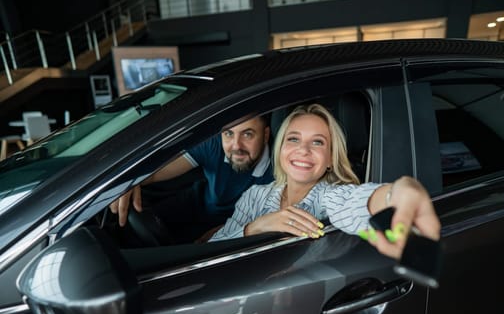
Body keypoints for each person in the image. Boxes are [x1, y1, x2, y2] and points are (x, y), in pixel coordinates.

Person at [209, 103, 440, 260]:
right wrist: (256, 227)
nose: (303, 150)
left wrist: (396, 193)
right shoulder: (254, 195)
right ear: (280, 148)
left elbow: (357, 202)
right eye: (293, 139)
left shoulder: (329, 197)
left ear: (330, 158)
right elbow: (214, 249)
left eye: (317, 142)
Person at [110, 114, 274, 244]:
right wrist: (127, 182)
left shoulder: (281, 168)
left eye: (247, 134)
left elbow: (273, 218)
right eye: (228, 133)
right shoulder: (213, 144)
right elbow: (152, 173)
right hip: (198, 205)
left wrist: (229, 230)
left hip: (238, 228)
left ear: (265, 135)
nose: (236, 145)